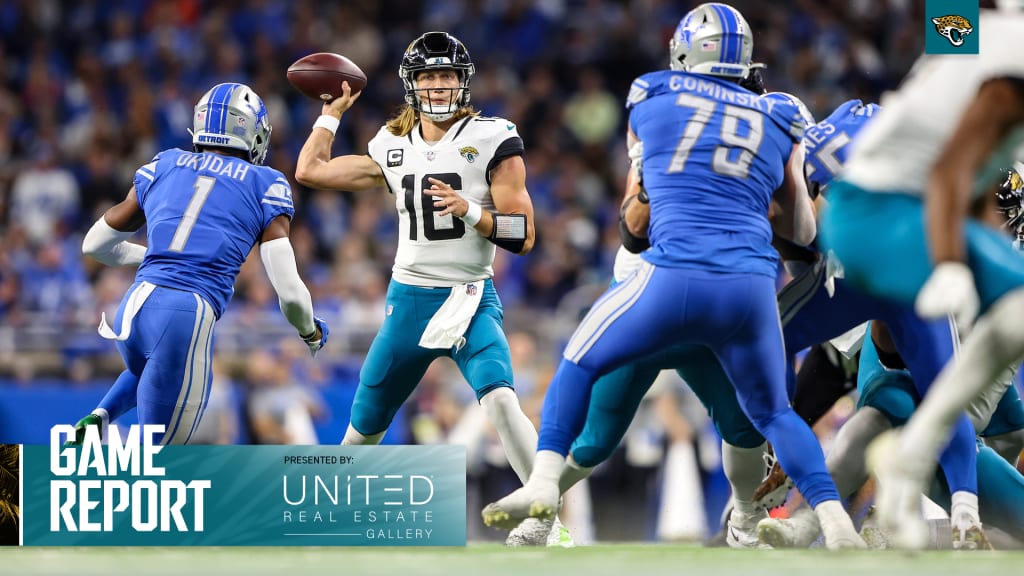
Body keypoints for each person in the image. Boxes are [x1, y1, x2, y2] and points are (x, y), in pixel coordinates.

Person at [480, 3, 864, 550]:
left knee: (741, 430)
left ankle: (743, 517)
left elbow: (641, 228)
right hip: (722, 288)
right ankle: (546, 513)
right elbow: (637, 228)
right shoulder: (774, 123)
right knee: (605, 439)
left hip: (664, 288)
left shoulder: (662, 100)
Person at [293, 32, 570, 547]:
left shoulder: (492, 137)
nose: (439, 85)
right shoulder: (392, 144)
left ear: (462, 82)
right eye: (428, 76)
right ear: (412, 84)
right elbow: (309, 170)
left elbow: (525, 236)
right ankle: (319, 526)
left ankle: (550, 525)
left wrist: (470, 211)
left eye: (446, 75)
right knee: (364, 427)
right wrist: (331, 112)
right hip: (410, 302)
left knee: (503, 401)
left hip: (468, 297)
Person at [819, 3, 1024, 550]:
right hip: (886, 212)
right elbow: (950, 168)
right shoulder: (1008, 71)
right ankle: (911, 468)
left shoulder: (984, 44)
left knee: (1013, 321)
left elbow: (971, 162)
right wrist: (955, 262)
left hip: (898, 205)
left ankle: (910, 461)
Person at [68, 82, 328, 446]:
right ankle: (106, 450)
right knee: (163, 458)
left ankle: (101, 417)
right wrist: (309, 332)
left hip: (135, 304)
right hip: (185, 314)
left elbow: (94, 245)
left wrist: (154, 257)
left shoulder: (166, 162)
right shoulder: (265, 182)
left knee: (148, 368)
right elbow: (290, 293)